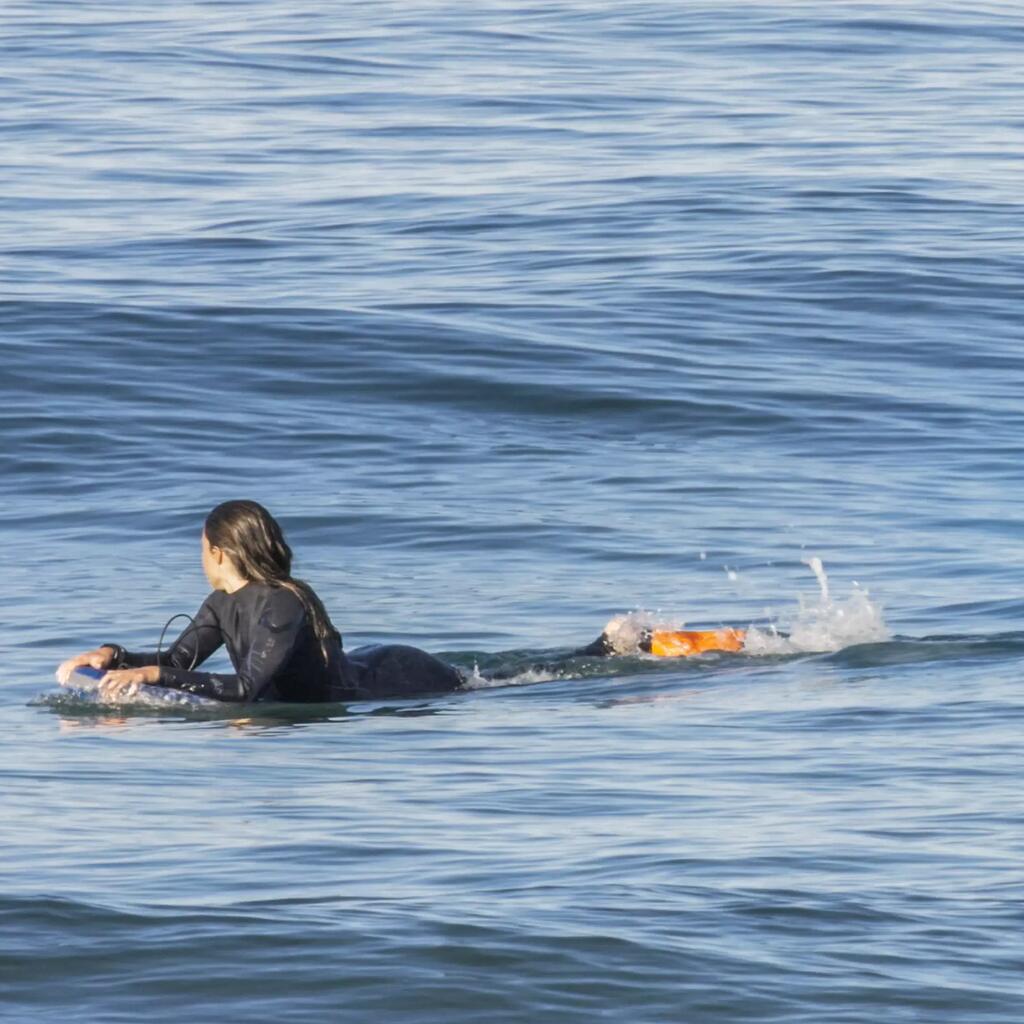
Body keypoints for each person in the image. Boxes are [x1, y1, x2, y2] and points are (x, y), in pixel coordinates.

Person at [55, 500, 466, 704]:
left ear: (218, 552)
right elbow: (178, 663)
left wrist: (150, 677)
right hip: (355, 670)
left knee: (483, 687)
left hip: (398, 676)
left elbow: (248, 689)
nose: (200, 559)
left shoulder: (282, 604)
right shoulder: (221, 603)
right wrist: (114, 656)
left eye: (201, 548)